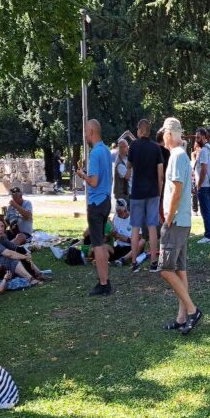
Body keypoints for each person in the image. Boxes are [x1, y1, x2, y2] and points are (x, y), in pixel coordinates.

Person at [159, 118, 203, 334]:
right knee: (180, 269)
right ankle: (181, 317)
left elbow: (177, 189)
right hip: (182, 221)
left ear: (169, 134)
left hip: (175, 222)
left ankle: (193, 311)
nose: (163, 140)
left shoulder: (176, 156)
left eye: (163, 135)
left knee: (165, 270)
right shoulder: (182, 155)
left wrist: (168, 218)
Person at [76, 118, 114, 296]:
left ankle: (104, 283)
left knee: (97, 244)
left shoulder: (95, 153)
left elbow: (94, 181)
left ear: (91, 132)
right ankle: (104, 279)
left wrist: (82, 175)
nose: (84, 134)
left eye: (85, 131)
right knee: (100, 242)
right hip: (105, 200)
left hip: (96, 203)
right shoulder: (106, 150)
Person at [128, 119, 165, 273]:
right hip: (152, 192)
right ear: (149, 131)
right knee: (152, 226)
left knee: (135, 228)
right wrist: (160, 191)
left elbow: (128, 169)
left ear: (139, 130)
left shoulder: (133, 147)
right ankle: (154, 262)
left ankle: (134, 262)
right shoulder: (156, 148)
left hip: (137, 192)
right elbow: (160, 174)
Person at [0, 215, 44, 283]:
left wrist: (25, 252)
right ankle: (31, 279)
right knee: (9, 258)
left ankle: (37, 272)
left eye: (2, 226)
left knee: (20, 251)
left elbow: (14, 247)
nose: (0, 229)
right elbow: (8, 254)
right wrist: (24, 257)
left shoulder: (2, 237)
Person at [194, 128, 210, 244]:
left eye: (198, 137)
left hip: (204, 186)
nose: (196, 139)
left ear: (204, 137)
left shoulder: (203, 150)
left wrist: (198, 185)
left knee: (206, 211)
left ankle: (208, 236)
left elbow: (203, 169)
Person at [110, 198, 134, 263]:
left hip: (129, 247)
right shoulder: (116, 216)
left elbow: (139, 240)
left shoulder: (133, 219)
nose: (118, 215)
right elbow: (114, 234)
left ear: (125, 211)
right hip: (118, 246)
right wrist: (113, 233)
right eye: (117, 212)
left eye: (120, 213)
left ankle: (124, 259)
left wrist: (126, 239)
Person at [113, 139, 131, 204]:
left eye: (127, 146)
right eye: (126, 146)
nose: (128, 148)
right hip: (122, 195)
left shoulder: (126, 158)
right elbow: (127, 176)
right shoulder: (119, 163)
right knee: (122, 213)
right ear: (121, 148)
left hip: (127, 194)